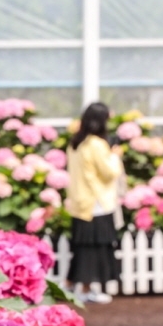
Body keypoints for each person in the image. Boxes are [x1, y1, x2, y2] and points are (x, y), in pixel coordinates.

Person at [65, 102, 123, 304]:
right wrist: (115, 156)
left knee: (81, 247)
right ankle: (86, 288)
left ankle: (72, 285)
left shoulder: (75, 143)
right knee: (95, 247)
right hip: (96, 202)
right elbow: (109, 173)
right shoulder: (96, 145)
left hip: (80, 201)